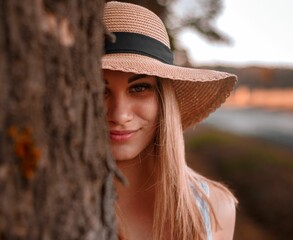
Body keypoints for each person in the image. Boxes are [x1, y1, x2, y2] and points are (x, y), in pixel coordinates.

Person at [102, 2, 238, 240]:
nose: (119, 115)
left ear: (164, 101)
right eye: (99, 90)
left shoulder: (215, 208)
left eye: (139, 88)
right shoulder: (52, 199)